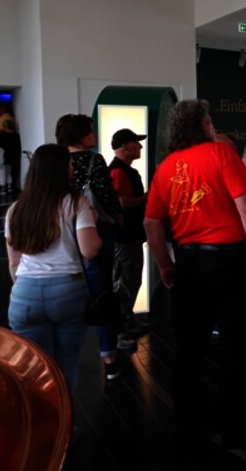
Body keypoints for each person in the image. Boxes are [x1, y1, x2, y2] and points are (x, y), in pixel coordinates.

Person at [143, 99, 246, 445]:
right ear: (204, 124)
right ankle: (234, 421)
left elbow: (151, 223)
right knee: (236, 343)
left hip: (188, 262)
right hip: (229, 260)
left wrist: (165, 264)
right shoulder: (221, 154)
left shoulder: (166, 167)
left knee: (189, 345)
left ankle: (186, 417)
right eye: (210, 120)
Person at [6, 144, 102, 391]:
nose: (72, 167)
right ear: (60, 169)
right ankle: (65, 415)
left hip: (24, 294)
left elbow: (14, 263)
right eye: (69, 163)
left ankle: (41, 415)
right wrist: (95, 224)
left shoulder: (16, 210)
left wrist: (31, 287)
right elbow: (90, 249)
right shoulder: (76, 203)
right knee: (66, 365)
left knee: (34, 369)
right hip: (68, 292)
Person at [56, 114, 124, 380]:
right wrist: (118, 217)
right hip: (95, 230)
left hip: (64, 232)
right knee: (101, 291)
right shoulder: (94, 160)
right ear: (81, 135)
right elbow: (106, 195)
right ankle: (108, 355)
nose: (95, 136)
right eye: (91, 131)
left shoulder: (55, 159)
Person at [108, 128, 148, 348]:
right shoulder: (119, 171)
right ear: (124, 146)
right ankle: (120, 330)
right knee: (125, 283)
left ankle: (127, 321)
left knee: (130, 281)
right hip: (124, 238)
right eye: (135, 142)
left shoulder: (123, 170)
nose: (140, 146)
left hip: (129, 236)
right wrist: (148, 196)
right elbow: (123, 202)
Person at [0, 119, 21, 194]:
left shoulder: (1, 135)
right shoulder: (16, 135)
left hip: (3, 156)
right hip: (11, 156)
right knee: (9, 171)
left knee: (2, 172)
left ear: (5, 126)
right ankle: (9, 186)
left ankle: (3, 188)